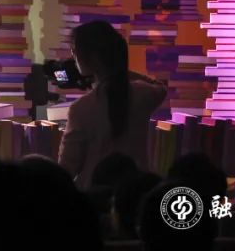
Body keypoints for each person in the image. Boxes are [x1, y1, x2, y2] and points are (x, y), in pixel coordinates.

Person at [58, 20, 167, 188]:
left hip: (94, 195)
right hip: (137, 190)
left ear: (93, 58)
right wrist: (119, 71)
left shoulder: (81, 108)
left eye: (74, 49)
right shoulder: (143, 95)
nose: (73, 55)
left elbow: (67, 169)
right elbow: (160, 87)